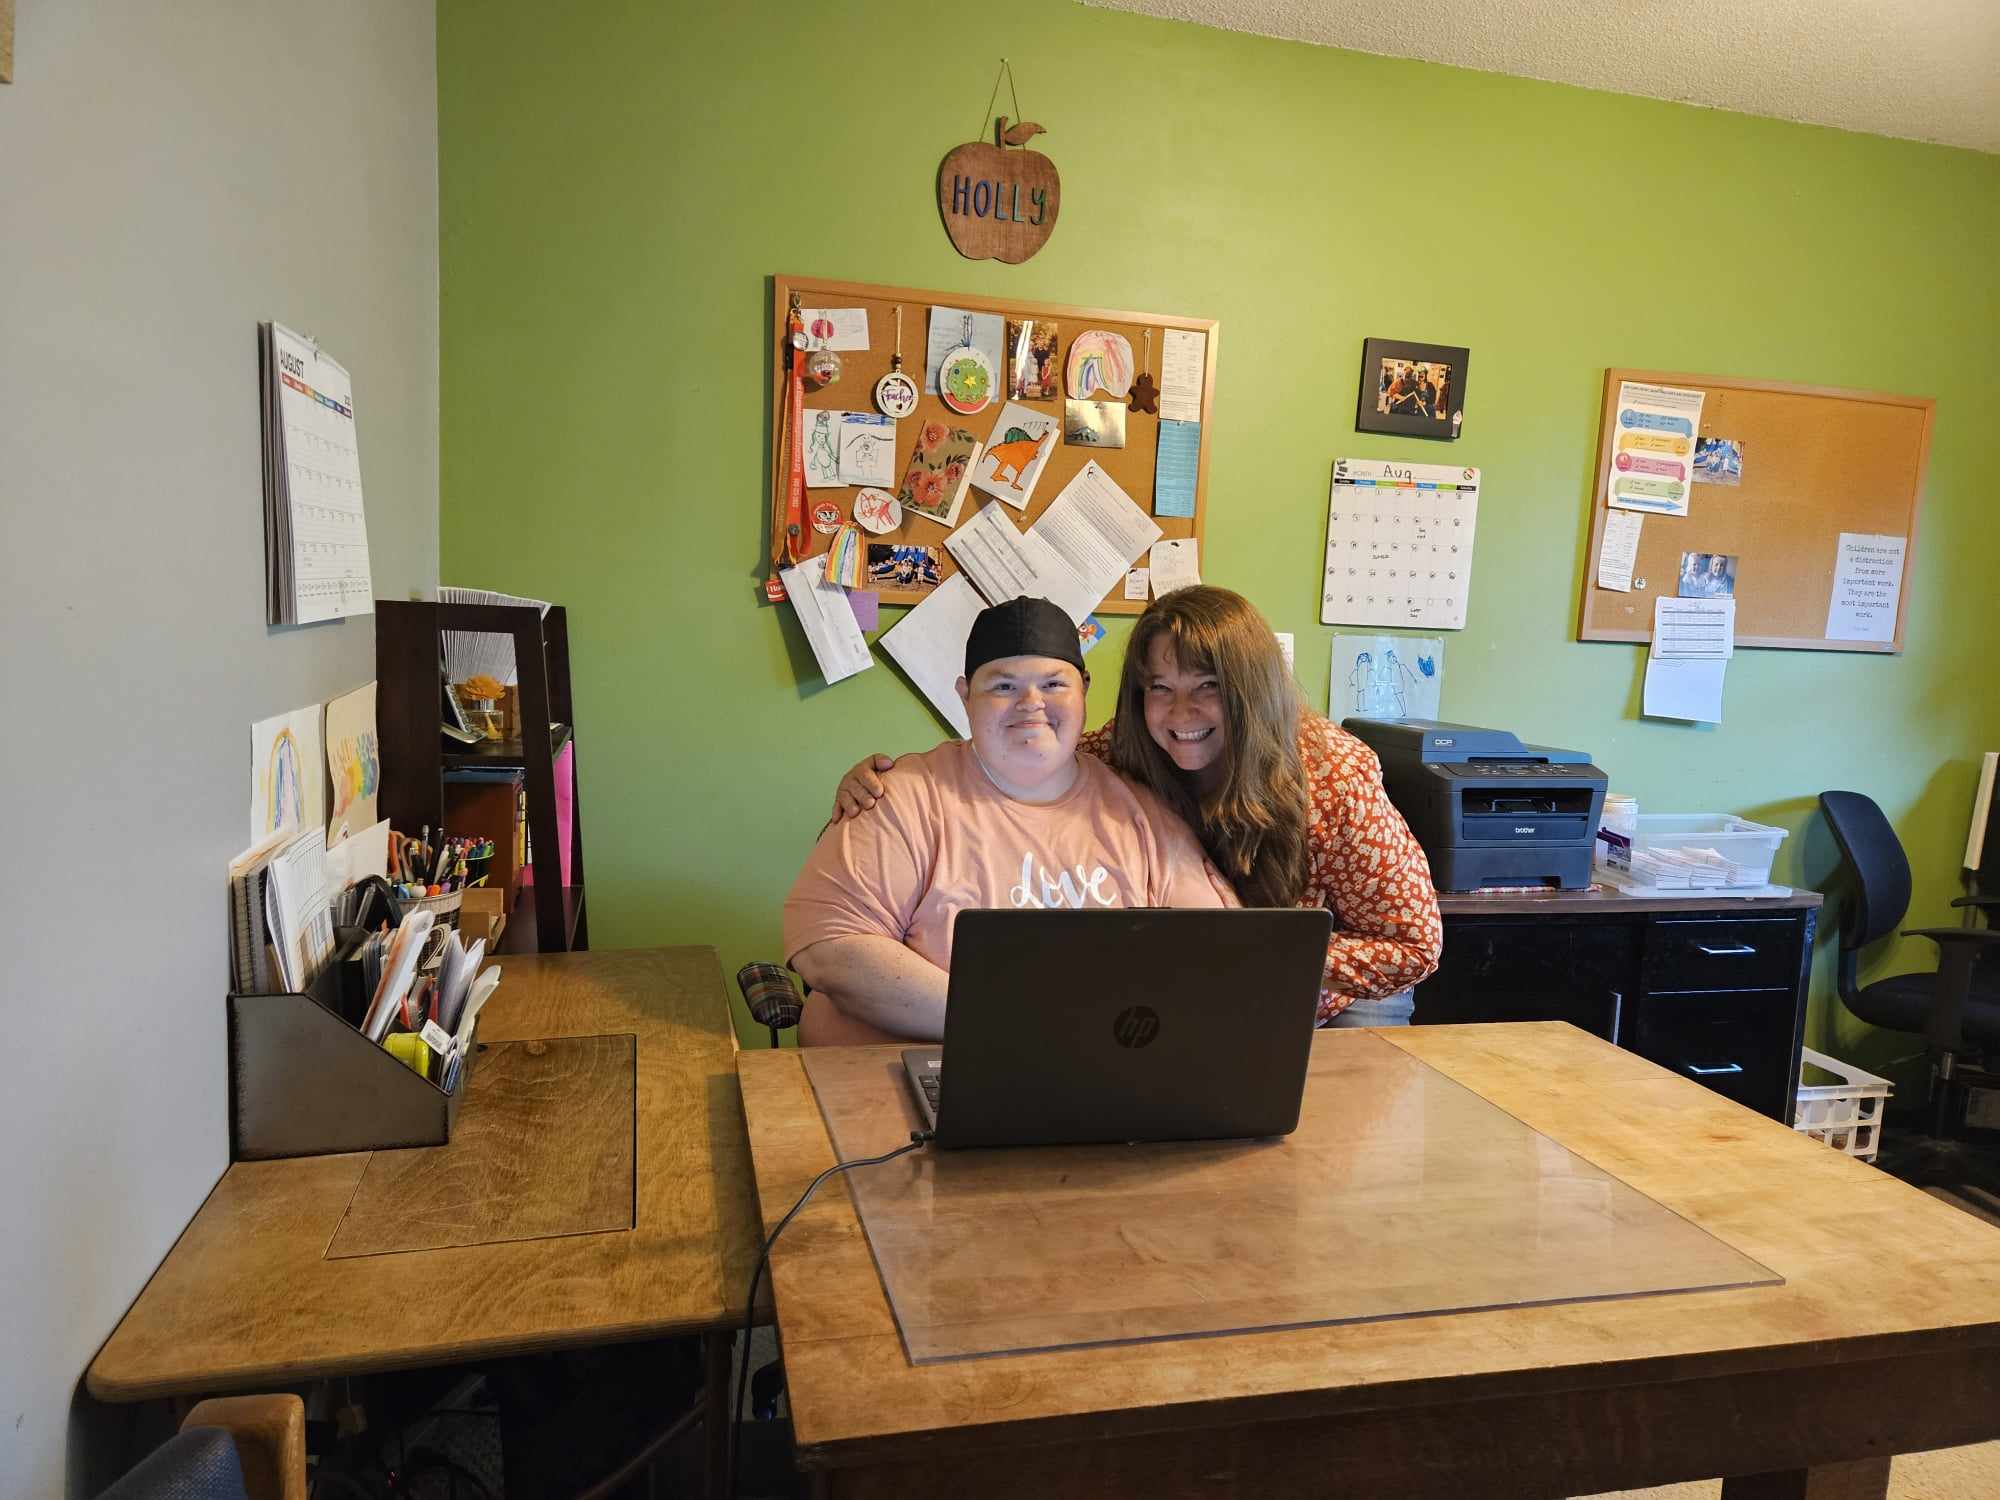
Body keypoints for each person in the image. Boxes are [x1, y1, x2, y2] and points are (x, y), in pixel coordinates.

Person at [832, 587, 1443, 1025]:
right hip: (1199, 1001)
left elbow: (1415, 946)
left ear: (1252, 695)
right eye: (1161, 689)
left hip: (1331, 1001)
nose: (1181, 715)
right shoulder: (1125, 753)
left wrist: (1263, 954)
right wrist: (879, 781)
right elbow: (1027, 747)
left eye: (1209, 689)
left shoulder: (1330, 777)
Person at [786, 596, 1238, 1046]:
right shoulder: (900, 798)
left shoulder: (1142, 813)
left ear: (1084, 688)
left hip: (1096, 1079)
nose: (1030, 703)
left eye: (1053, 684)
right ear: (965, 696)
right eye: (1003, 687)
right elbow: (829, 948)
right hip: (908, 1083)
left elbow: (1218, 954)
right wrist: (1012, 1025)